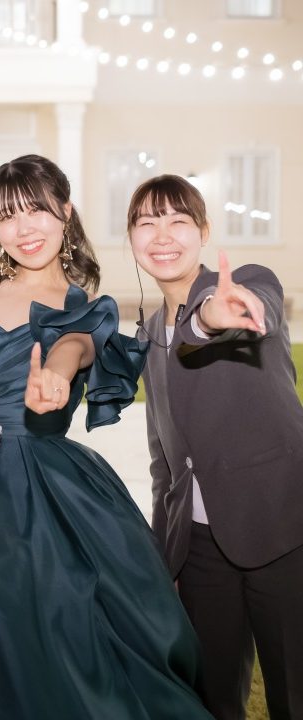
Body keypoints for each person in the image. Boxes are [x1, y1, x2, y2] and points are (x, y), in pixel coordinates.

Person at [0, 155, 212, 719]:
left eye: (36, 209)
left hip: (46, 492)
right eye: (8, 215)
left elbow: (73, 346)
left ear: (65, 211)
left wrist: (57, 378)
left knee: (58, 632)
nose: (24, 227)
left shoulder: (85, 306)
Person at [128, 174, 303, 720]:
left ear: (203, 231)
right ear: (131, 238)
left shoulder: (246, 284)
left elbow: (242, 312)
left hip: (281, 528)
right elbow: (164, 460)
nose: (162, 235)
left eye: (178, 220)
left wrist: (207, 318)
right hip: (200, 549)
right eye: (146, 223)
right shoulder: (148, 335)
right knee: (212, 698)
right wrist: (170, 555)